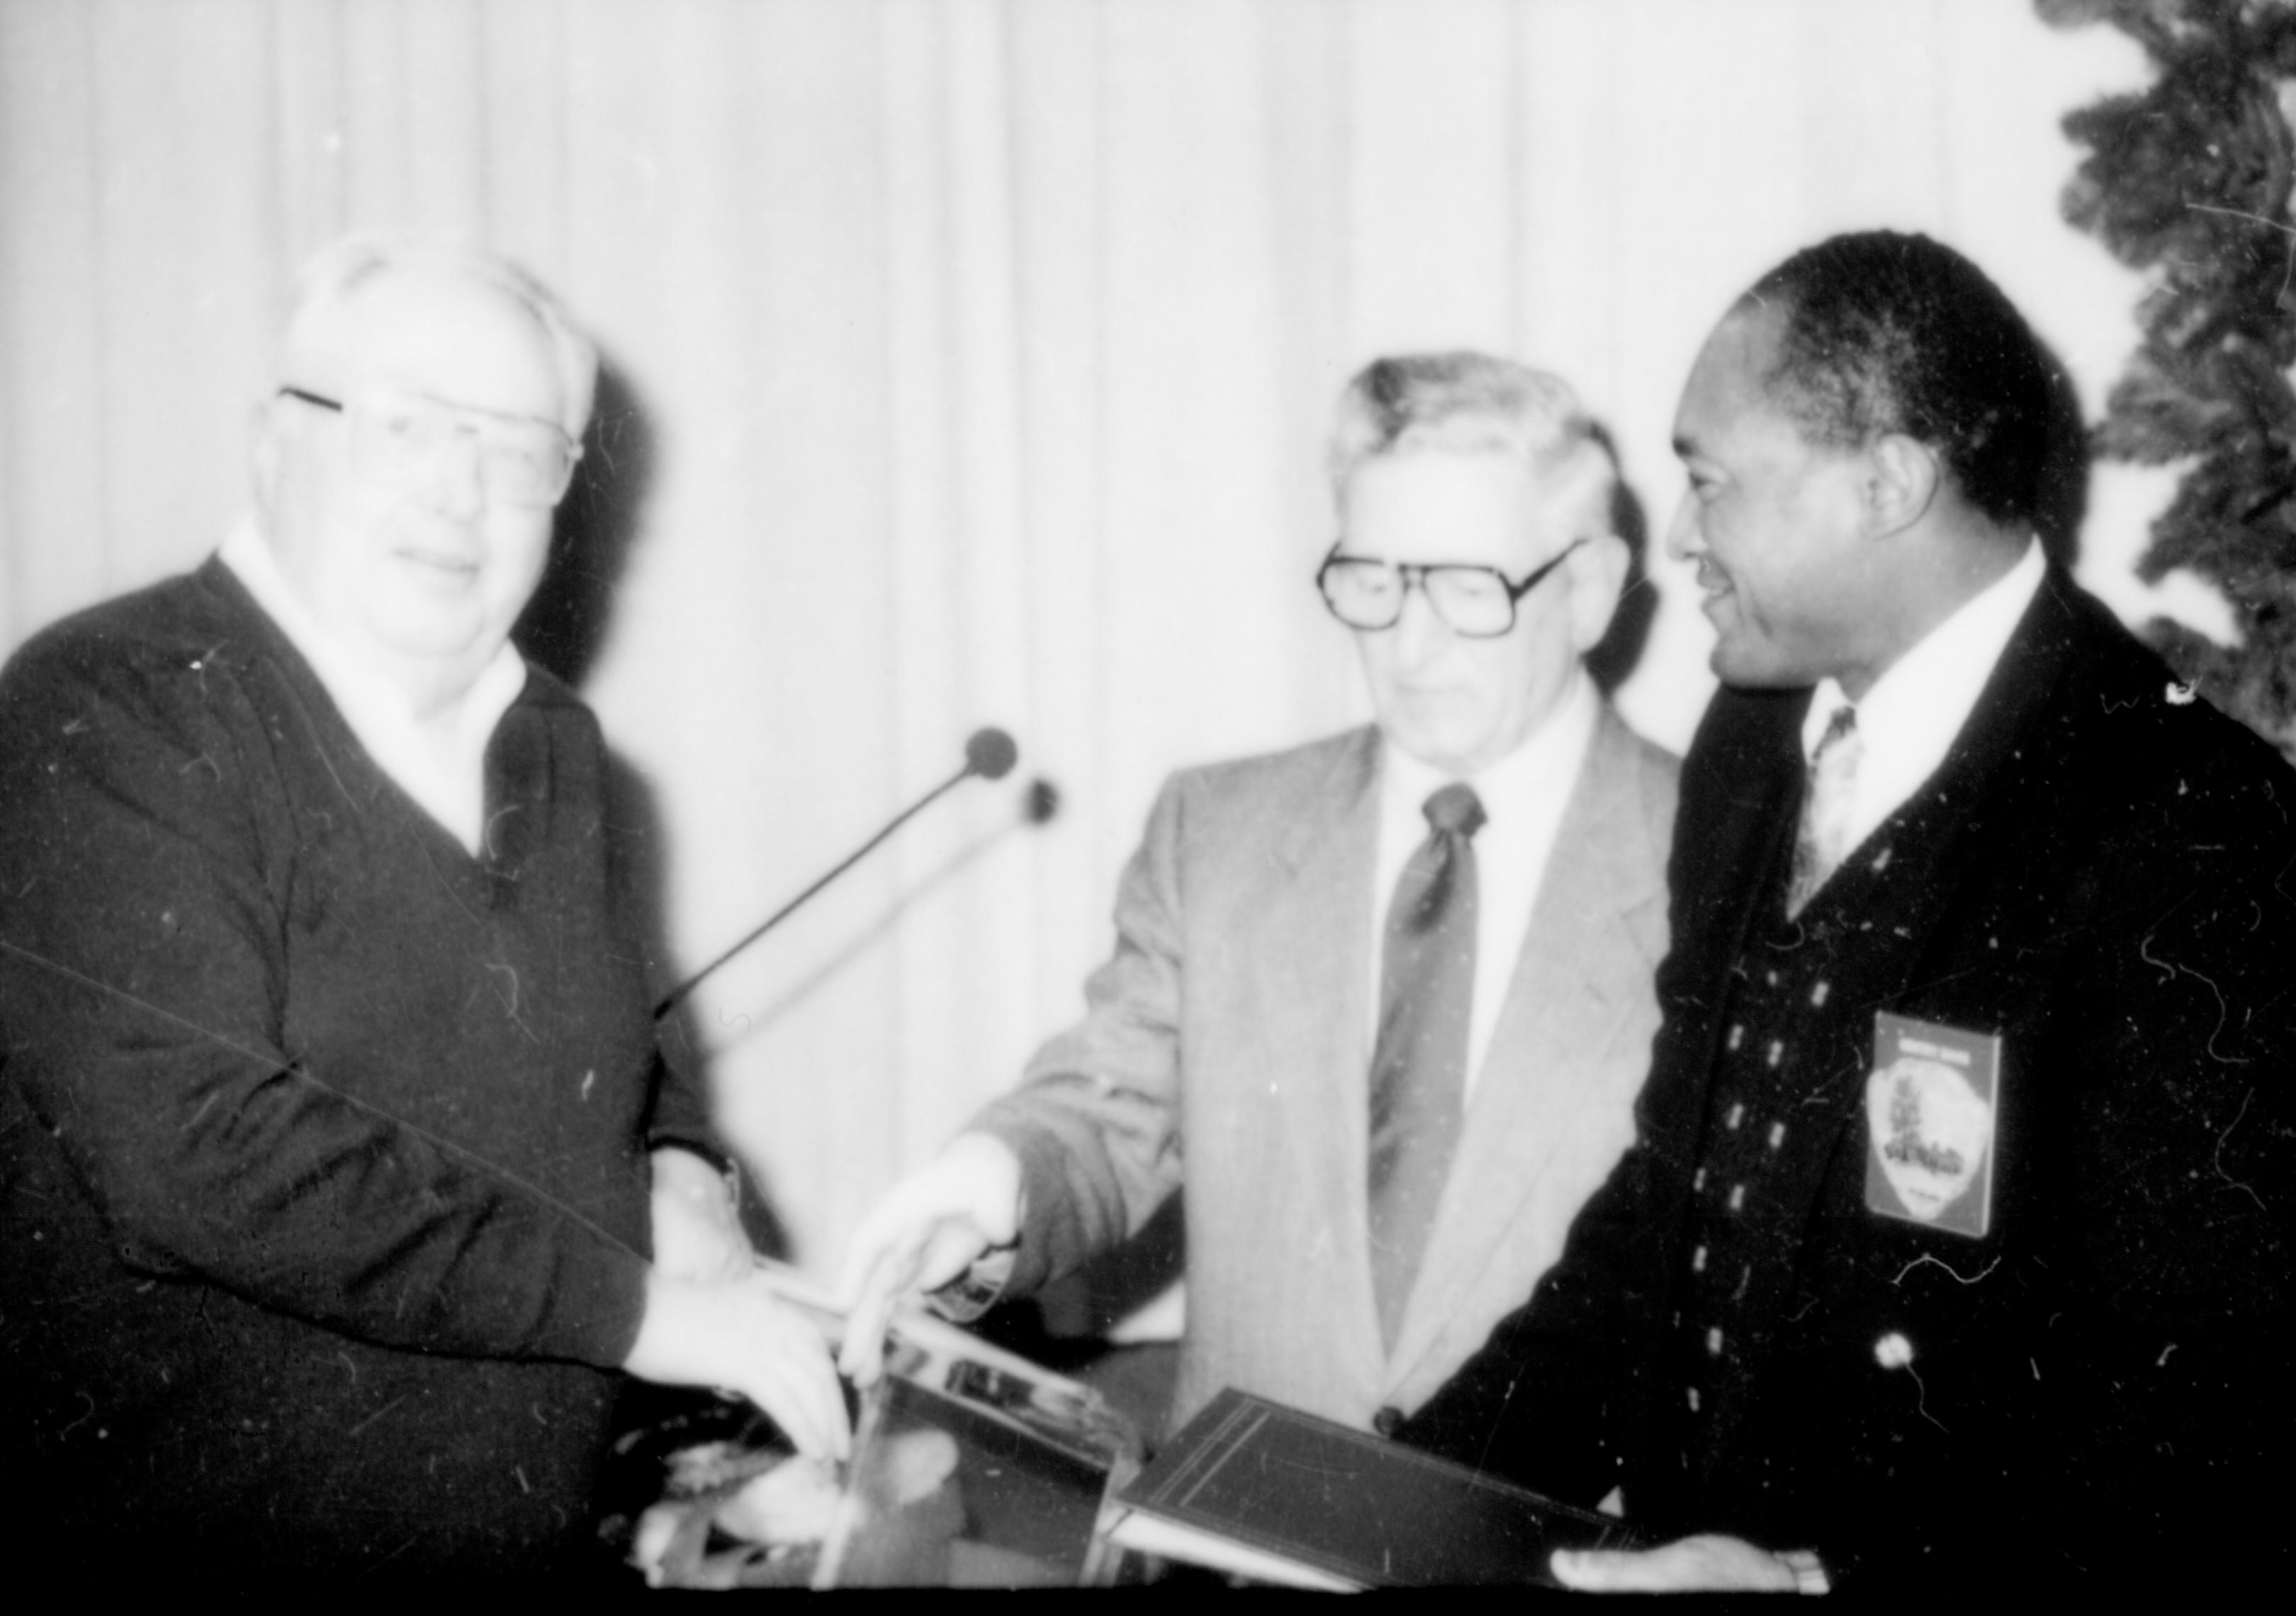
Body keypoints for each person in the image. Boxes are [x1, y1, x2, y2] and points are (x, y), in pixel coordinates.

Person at [1399, 231, 2296, 1593]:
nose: (1681, 535)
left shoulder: (2190, 826)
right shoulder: (1752, 739)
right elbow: (1675, 1198)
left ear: (1888, 482)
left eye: (1710, 482)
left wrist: (1825, 1581)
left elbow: (2201, 1416)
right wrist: (1410, 1499)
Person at [0, 237, 846, 1581]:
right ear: (277, 440)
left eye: (519, 451)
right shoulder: (111, 704)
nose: (461, 495)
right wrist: (638, 1312)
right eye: (408, 428)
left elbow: (632, 1054)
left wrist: (683, 1170)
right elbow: (193, 1150)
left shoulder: (559, 746)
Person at [838, 354, 1678, 1442]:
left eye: (1470, 589)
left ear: (1592, 589)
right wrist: (987, 1185)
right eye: (1373, 580)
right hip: (1236, 1536)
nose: (1409, 646)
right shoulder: (1219, 832)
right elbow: (1108, 1112)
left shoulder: (1720, 858)